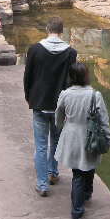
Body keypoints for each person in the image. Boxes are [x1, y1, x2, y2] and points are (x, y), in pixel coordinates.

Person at [23, 17, 78, 197]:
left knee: (40, 146)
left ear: (47, 29)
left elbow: (28, 77)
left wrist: (29, 97)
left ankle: (42, 184)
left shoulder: (35, 50)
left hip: (39, 103)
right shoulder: (70, 53)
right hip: (59, 106)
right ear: (62, 31)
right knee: (55, 140)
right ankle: (53, 173)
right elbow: (71, 81)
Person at [54, 62, 110, 219]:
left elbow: (58, 117)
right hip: (90, 135)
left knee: (77, 173)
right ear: (86, 76)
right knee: (88, 166)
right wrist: (108, 137)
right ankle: (84, 198)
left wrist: (61, 128)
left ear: (71, 77)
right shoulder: (95, 95)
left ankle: (78, 209)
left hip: (72, 136)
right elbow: (103, 120)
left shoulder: (65, 94)